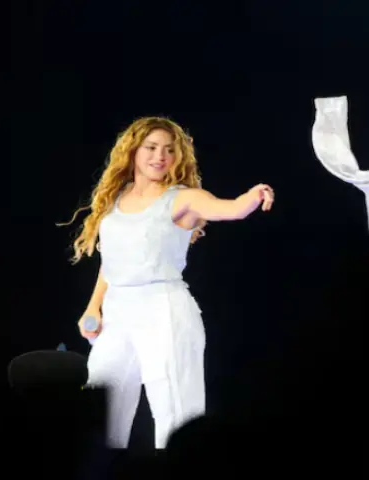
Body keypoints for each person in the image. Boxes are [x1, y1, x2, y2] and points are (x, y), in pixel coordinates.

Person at [59, 116, 275, 450]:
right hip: (117, 315)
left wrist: (250, 198)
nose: (160, 156)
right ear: (133, 151)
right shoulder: (116, 200)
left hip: (163, 309)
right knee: (101, 412)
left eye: (169, 150)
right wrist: (93, 307)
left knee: (175, 412)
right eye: (152, 147)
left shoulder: (181, 198)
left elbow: (228, 209)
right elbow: (112, 261)